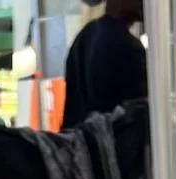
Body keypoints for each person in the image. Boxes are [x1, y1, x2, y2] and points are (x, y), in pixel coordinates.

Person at [62, 0, 146, 130]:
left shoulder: (84, 38)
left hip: (82, 147)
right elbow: (139, 123)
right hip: (112, 147)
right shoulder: (128, 48)